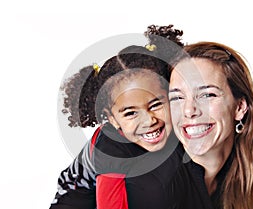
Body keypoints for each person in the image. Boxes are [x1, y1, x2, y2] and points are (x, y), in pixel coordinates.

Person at [50, 26, 192, 209]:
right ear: (112, 119)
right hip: (76, 201)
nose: (149, 121)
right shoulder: (110, 149)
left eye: (156, 105)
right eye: (131, 113)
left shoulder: (180, 123)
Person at [168, 40, 253, 209]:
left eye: (207, 95)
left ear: (240, 107)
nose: (188, 110)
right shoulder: (157, 182)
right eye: (177, 97)